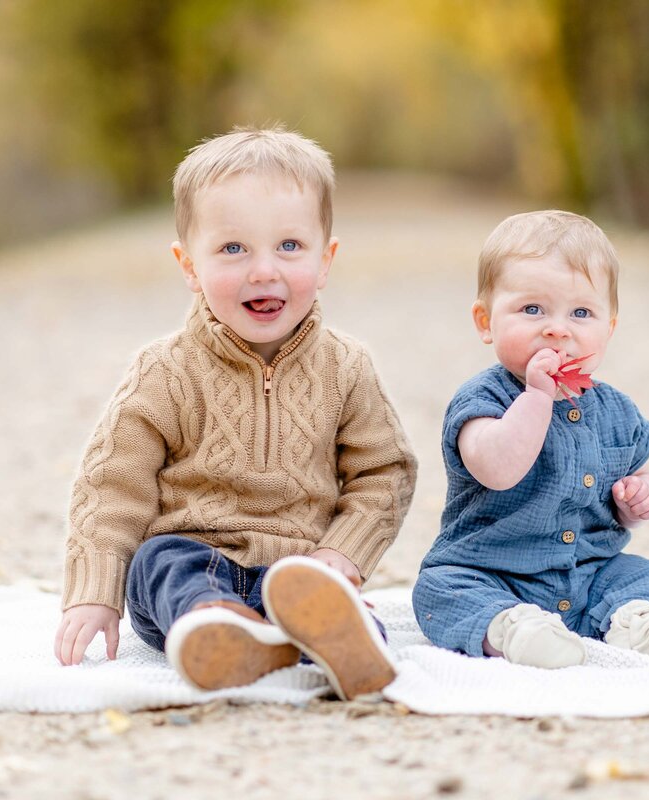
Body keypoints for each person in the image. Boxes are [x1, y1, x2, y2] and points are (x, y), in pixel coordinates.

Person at [54, 126, 417, 700]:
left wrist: (341, 553)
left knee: (319, 598)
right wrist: (95, 591)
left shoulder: (346, 367)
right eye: (232, 249)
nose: (264, 270)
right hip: (193, 561)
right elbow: (112, 485)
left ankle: (335, 640)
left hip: (297, 571)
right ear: (189, 266)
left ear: (325, 260)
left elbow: (384, 472)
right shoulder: (164, 371)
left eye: (289, 247)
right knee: (159, 560)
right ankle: (217, 628)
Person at [412, 210, 649, 668]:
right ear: (486, 321)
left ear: (608, 328)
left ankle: (635, 620)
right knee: (439, 590)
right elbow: (497, 469)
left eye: (581, 313)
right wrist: (537, 397)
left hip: (588, 573)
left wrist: (638, 497)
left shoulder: (618, 411)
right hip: (492, 571)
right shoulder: (484, 399)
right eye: (532, 309)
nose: (558, 329)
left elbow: (639, 471)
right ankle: (512, 628)